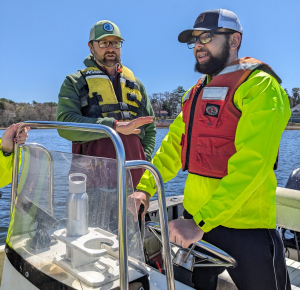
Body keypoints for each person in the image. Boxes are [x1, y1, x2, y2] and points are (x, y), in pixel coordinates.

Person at [132, 9, 291, 290]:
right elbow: (171, 148)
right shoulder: (195, 94)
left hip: (245, 228)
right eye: (194, 40)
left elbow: (253, 164)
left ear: (234, 40)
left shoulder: (261, 87)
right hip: (197, 223)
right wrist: (145, 188)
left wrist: (201, 222)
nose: (198, 46)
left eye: (206, 36)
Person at [56, 20, 155, 226]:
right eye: (103, 43)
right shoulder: (75, 82)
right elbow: (65, 125)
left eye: (115, 43)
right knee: (92, 243)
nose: (110, 48)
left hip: (134, 183)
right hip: (92, 185)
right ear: (91, 47)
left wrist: (144, 163)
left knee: (133, 241)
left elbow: (150, 130)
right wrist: (115, 126)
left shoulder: (137, 85)